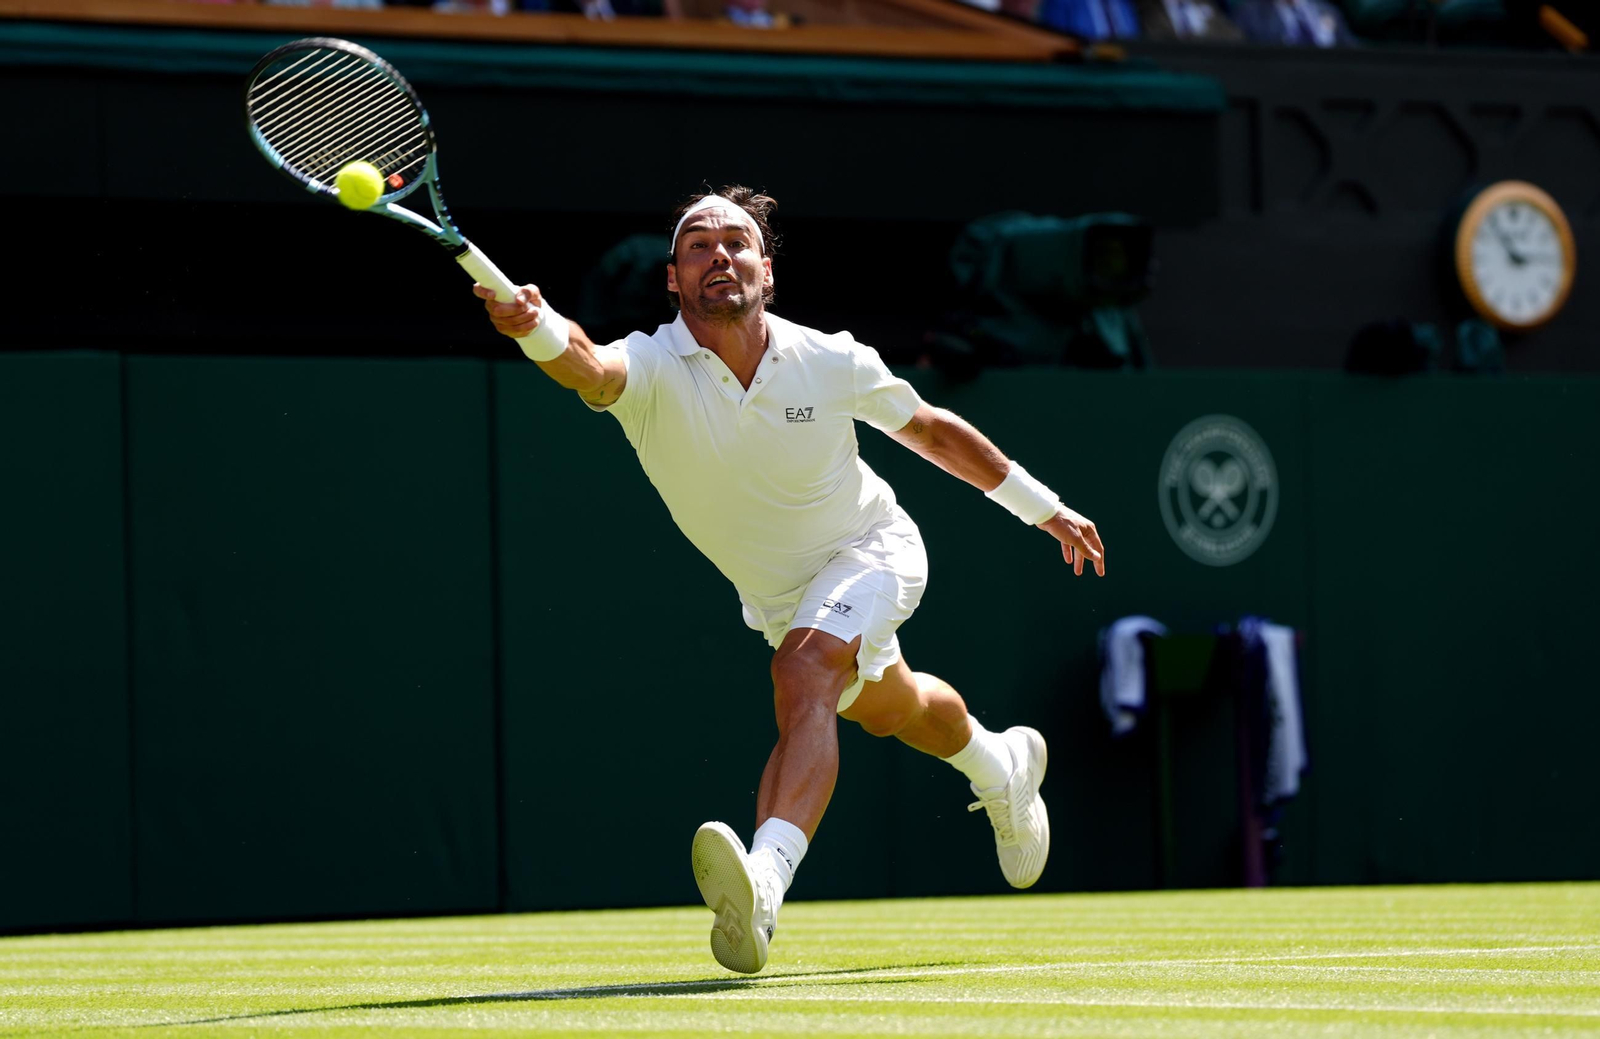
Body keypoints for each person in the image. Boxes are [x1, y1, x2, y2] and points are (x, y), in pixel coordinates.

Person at [472, 186, 1106, 975]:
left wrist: (1041, 508)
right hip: (782, 596)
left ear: (766, 270)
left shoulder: (828, 358)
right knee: (891, 706)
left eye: (736, 242)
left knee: (803, 669)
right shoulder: (652, 365)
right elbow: (590, 368)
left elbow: (933, 430)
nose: (719, 255)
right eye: (698, 245)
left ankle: (764, 885)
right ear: (673, 278)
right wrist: (534, 327)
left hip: (873, 546)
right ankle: (999, 763)